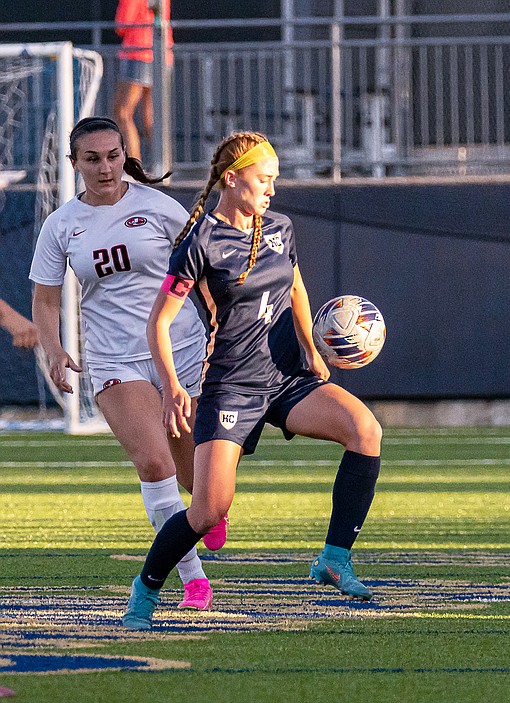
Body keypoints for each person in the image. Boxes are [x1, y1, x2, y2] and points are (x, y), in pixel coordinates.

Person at [121, 131, 382, 630]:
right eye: (265, 179)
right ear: (232, 178)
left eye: (275, 180)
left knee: (365, 431)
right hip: (232, 386)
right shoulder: (200, 242)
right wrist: (173, 386)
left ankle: (334, 557)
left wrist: (309, 345)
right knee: (207, 509)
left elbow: (297, 285)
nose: (273, 190)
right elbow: (157, 322)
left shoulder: (280, 227)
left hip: (286, 375)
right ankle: (146, 587)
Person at [30, 116, 226, 614]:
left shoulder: (158, 207)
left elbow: (201, 268)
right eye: (91, 159)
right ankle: (192, 581)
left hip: (181, 352)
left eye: (112, 156)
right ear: (74, 164)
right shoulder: (62, 226)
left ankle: (206, 507)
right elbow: (46, 300)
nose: (104, 167)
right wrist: (53, 349)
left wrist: (222, 322)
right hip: (115, 359)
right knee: (153, 463)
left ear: (125, 155)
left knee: (199, 484)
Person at [113, 0, 173, 161]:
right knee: (152, 116)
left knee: (122, 112)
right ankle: (162, 164)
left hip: (138, 52)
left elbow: (122, 24)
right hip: (161, 52)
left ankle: (135, 166)